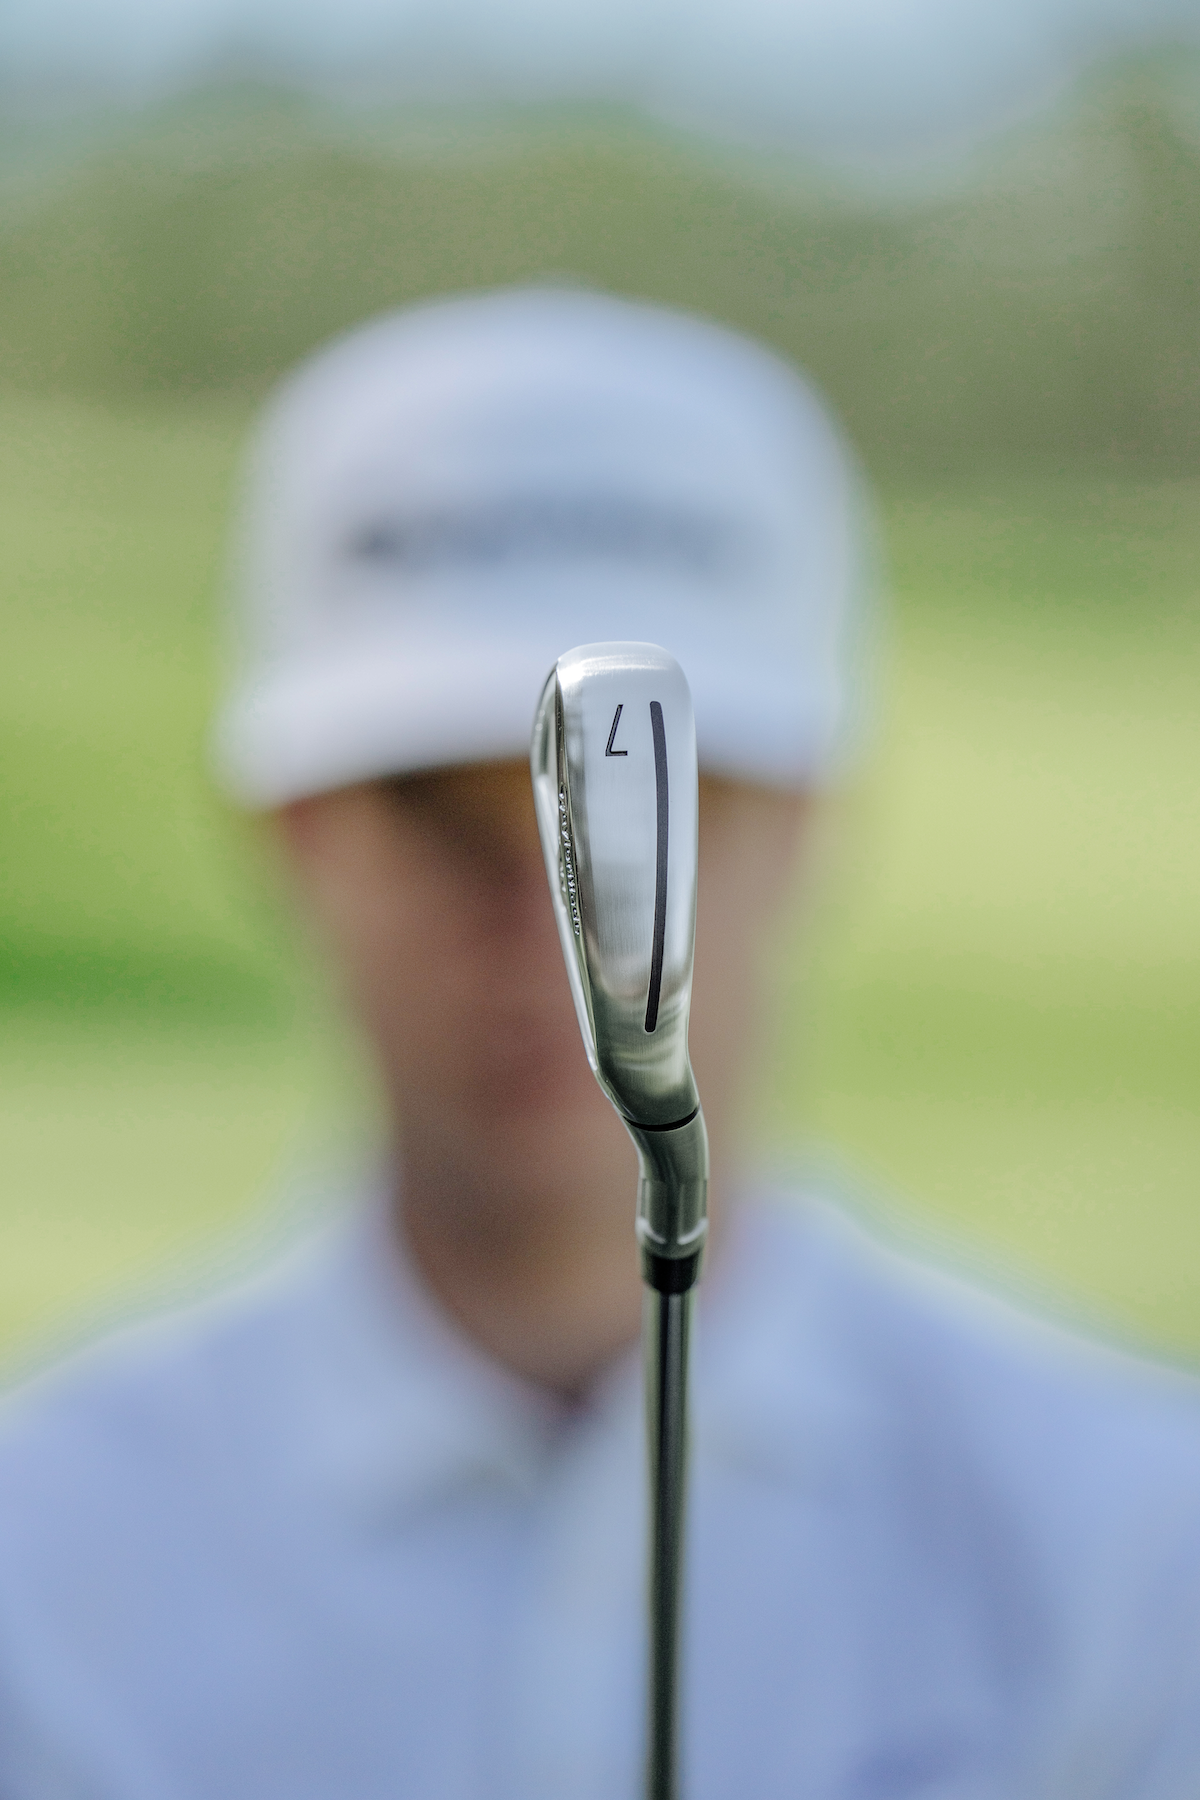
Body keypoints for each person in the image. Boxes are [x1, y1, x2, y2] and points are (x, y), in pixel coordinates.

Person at [1, 287, 1199, 1800]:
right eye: (438, 816)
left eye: (657, 821)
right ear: (292, 835)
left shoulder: (1130, 1537)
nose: (548, 939)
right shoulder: (40, 1554)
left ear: (809, 824)